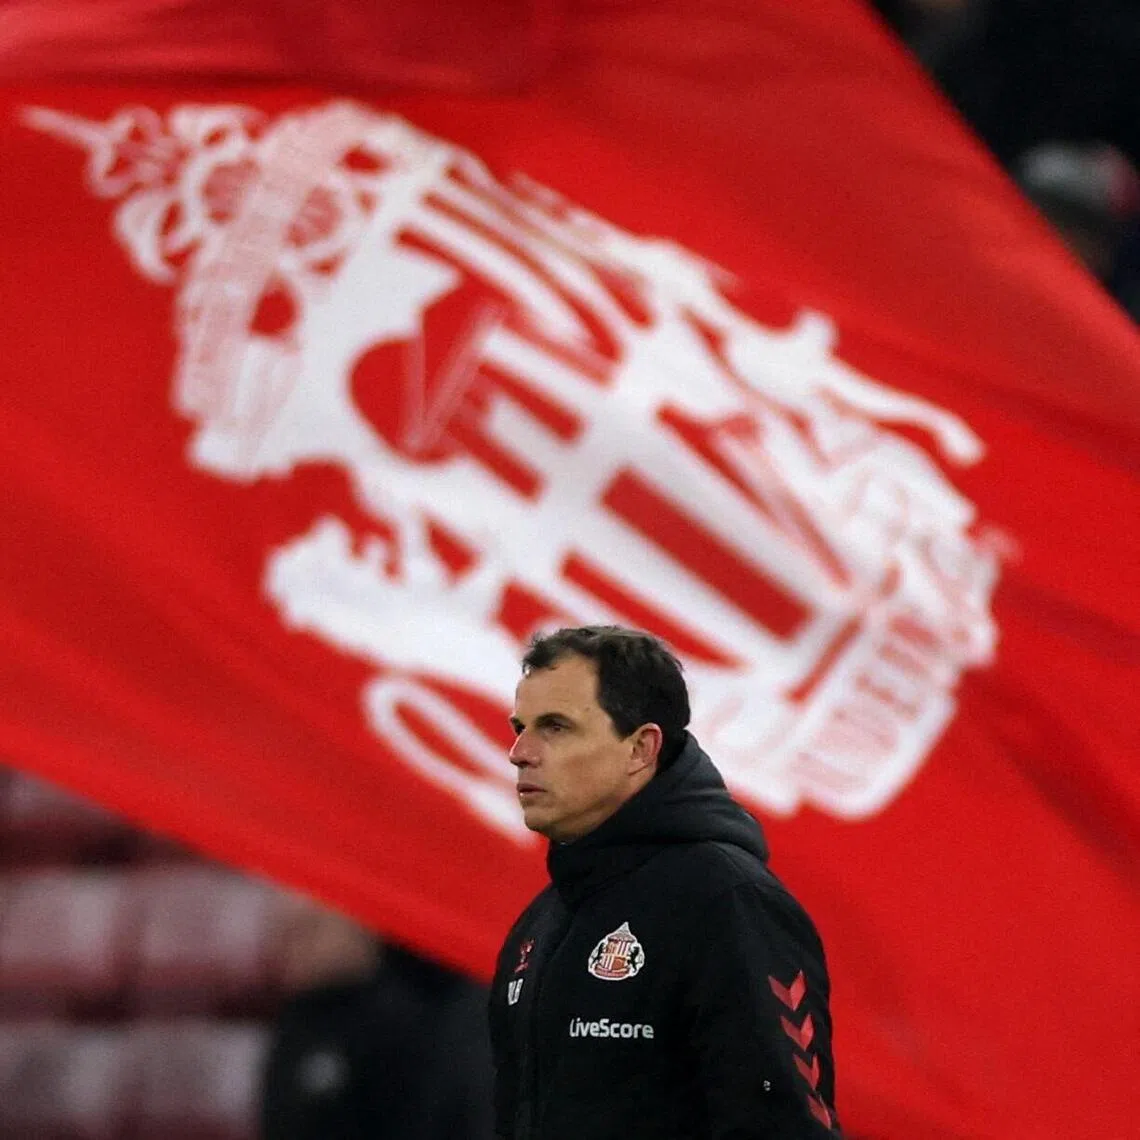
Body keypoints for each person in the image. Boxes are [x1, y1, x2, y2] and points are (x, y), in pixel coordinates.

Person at [489, 626, 840, 1139]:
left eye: (556, 727)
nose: (520, 751)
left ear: (640, 749)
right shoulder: (538, 925)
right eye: (521, 726)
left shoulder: (727, 901)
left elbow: (782, 1126)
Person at [261, 899, 496, 1140]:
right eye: (291, 938)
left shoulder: (416, 1012)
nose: (301, 951)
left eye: (313, 931)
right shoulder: (294, 1034)